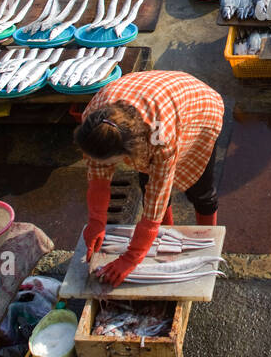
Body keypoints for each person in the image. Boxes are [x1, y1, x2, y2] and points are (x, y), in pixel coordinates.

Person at [74, 71, 225, 288]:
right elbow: (98, 177)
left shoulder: (160, 139)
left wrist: (131, 258)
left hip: (197, 108)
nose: (108, 166)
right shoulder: (94, 119)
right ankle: (168, 238)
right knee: (147, 186)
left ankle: (208, 239)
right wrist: (96, 221)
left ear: (130, 152)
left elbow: (157, 199)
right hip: (150, 100)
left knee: (200, 192)